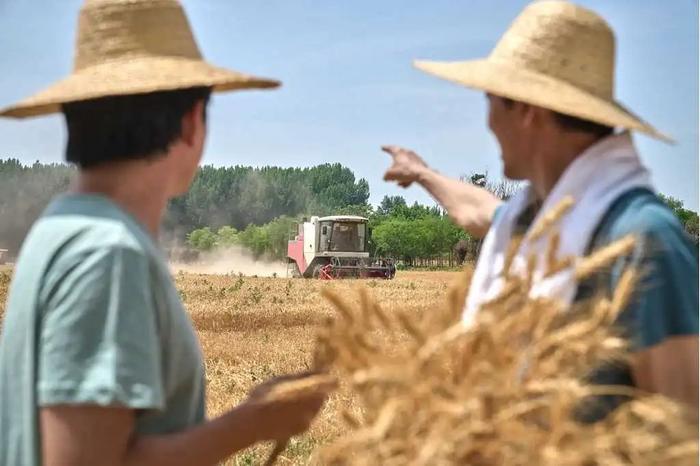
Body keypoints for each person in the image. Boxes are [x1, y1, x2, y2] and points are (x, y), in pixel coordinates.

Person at [0, 1, 332, 465]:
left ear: (76, 117)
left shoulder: (59, 229)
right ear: (192, 120)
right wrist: (253, 423)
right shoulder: (108, 255)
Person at [382, 0, 698, 416]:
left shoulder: (643, 240)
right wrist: (422, 173)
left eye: (490, 100)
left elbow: (684, 431)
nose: (488, 120)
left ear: (527, 110)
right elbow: (481, 213)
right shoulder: (540, 219)